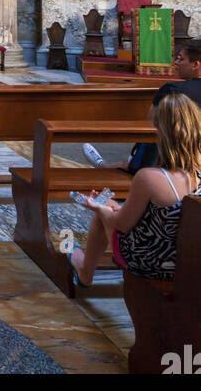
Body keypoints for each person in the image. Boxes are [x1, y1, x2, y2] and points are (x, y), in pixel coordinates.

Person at [70, 91, 201, 286]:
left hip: (152, 262)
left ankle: (85, 273)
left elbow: (122, 224)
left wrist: (99, 208)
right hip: (192, 260)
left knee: (105, 209)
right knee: (111, 204)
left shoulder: (149, 177)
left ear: (160, 133)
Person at [83, 40, 201, 172]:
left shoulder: (172, 89)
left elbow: (151, 122)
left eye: (180, 59)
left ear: (196, 64)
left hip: (173, 153)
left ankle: (110, 165)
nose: (176, 63)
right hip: (196, 155)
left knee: (154, 137)